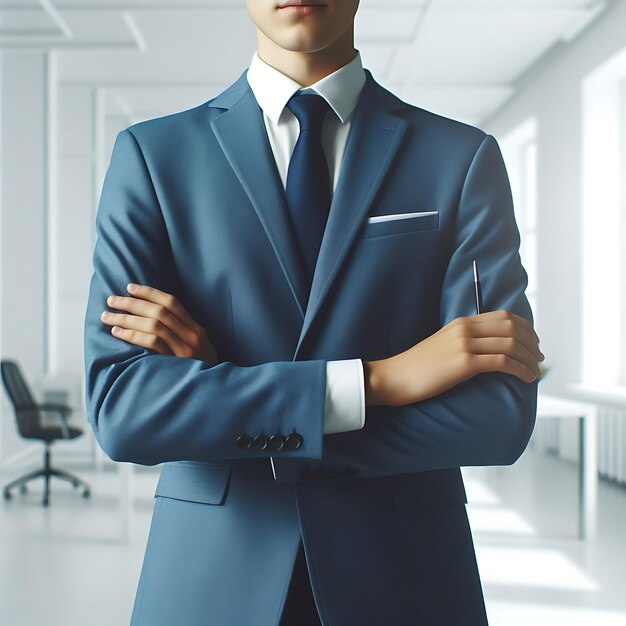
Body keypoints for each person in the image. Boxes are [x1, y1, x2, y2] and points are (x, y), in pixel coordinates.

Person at [83, 1, 545, 624]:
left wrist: (226, 392)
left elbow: (497, 418)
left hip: (408, 582)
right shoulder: (152, 157)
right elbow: (125, 410)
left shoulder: (461, 158)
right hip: (209, 580)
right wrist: (378, 382)